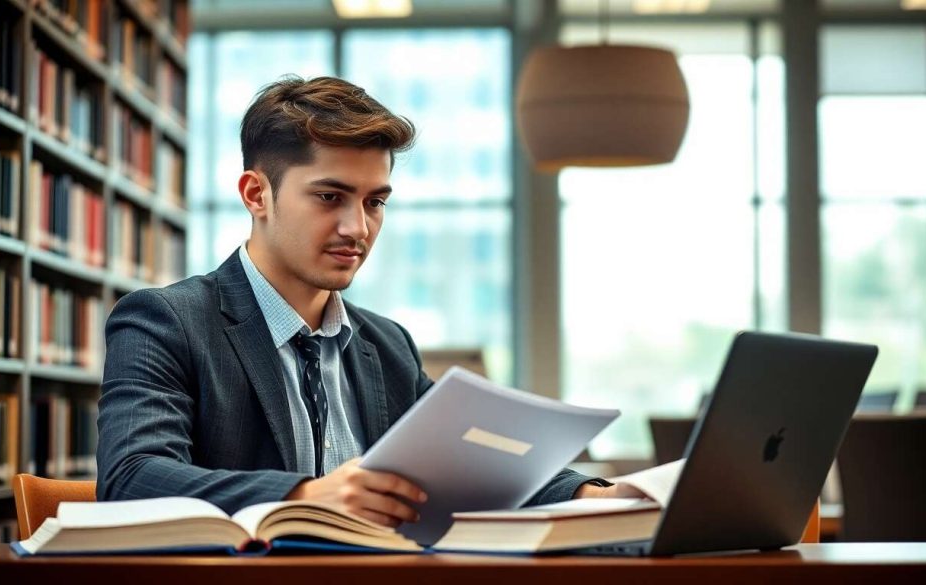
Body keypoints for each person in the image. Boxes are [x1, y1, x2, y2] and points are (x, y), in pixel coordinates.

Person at [97, 75, 639, 528]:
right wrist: (304, 498)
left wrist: (596, 495)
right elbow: (131, 477)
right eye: (329, 197)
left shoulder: (388, 344)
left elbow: (473, 466)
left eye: (375, 202)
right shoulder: (167, 322)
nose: (357, 228)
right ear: (256, 194)